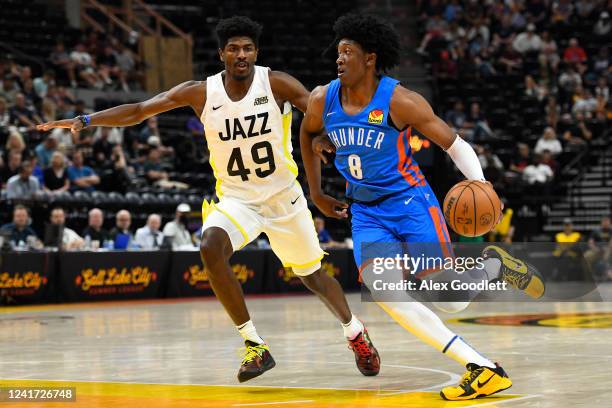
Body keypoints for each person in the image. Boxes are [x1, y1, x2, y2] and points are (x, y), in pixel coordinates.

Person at [37, 16, 378, 384]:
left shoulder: (275, 82)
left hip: (283, 198)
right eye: (233, 48)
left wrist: (325, 136)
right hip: (237, 199)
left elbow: (315, 113)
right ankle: (255, 345)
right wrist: (87, 119)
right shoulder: (200, 92)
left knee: (312, 276)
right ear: (221, 54)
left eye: (247, 48)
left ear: (256, 52)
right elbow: (139, 111)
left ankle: (355, 332)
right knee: (210, 246)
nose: (241, 54)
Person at [300, 14, 544, 401]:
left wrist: (480, 184)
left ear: (370, 59)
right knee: (387, 293)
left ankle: (494, 265)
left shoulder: (400, 101)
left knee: (449, 300)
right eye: (338, 52)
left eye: (348, 52)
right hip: (365, 212)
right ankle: (483, 367)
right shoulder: (321, 98)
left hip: (411, 204)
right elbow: (308, 131)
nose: (339, 58)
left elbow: (455, 144)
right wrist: (315, 191)